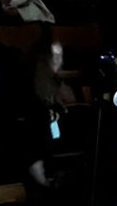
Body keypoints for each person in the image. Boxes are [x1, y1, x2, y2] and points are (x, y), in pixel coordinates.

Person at [29, 40, 79, 189]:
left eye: (60, 55)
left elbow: (70, 100)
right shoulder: (37, 78)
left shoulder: (58, 80)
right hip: (44, 133)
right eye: (54, 55)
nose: (57, 60)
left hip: (60, 132)